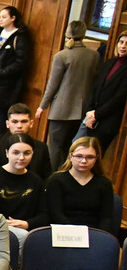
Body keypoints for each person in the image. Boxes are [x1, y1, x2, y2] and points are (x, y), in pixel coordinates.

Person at [36, 20, 101, 168]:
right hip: (82, 108)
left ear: (68, 33)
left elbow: (53, 85)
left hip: (62, 109)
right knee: (70, 146)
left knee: (55, 146)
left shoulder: (62, 55)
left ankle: (53, 176)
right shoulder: (94, 55)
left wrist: (42, 106)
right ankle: (65, 172)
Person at [0, 133, 46, 242]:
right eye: (16, 153)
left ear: (33, 154)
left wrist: (26, 224)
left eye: (27, 153)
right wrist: (0, 222)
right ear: (7, 153)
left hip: (25, 233)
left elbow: (43, 214)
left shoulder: (36, 181)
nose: (21, 158)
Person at [43, 137, 117, 235]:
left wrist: (100, 235)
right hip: (63, 232)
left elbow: (105, 217)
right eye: (79, 156)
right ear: (71, 156)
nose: (83, 161)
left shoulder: (104, 183)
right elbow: (56, 214)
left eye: (90, 157)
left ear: (97, 158)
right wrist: (76, 233)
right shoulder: (56, 180)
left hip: (93, 233)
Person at [0, 103, 52, 179]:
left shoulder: (41, 147)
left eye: (24, 121)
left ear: (31, 123)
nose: (19, 126)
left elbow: (46, 178)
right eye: (15, 122)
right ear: (7, 124)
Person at [77, 30, 127, 151]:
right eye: (121, 42)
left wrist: (96, 114)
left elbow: (119, 98)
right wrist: (89, 111)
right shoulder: (109, 62)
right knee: (80, 148)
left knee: (95, 154)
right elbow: (95, 87)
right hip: (91, 117)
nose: (123, 46)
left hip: (107, 121)